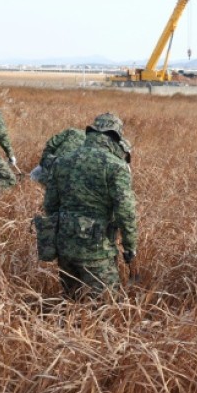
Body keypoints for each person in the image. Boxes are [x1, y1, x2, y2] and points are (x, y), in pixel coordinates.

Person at [42, 113, 137, 297]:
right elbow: (126, 212)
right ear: (116, 137)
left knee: (70, 301)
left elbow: (50, 205)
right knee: (105, 308)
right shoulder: (116, 166)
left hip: (64, 247)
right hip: (97, 251)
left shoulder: (62, 161)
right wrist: (130, 246)